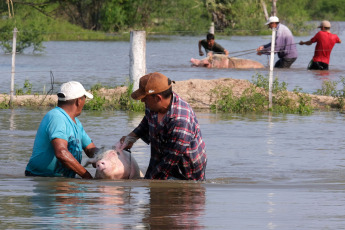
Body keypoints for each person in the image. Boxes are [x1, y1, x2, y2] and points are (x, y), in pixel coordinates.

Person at [118, 72, 207, 180]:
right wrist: (132, 137)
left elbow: (169, 161)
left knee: (165, 189)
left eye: (145, 98)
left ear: (158, 98)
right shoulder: (153, 106)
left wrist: (148, 182)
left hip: (186, 172)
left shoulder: (181, 121)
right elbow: (147, 121)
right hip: (160, 159)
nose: (142, 101)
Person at [25, 81, 99, 179]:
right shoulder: (57, 117)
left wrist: (104, 156)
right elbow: (61, 153)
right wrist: (86, 176)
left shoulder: (76, 123)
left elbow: (90, 149)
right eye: (84, 98)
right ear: (79, 101)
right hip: (43, 178)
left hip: (62, 179)